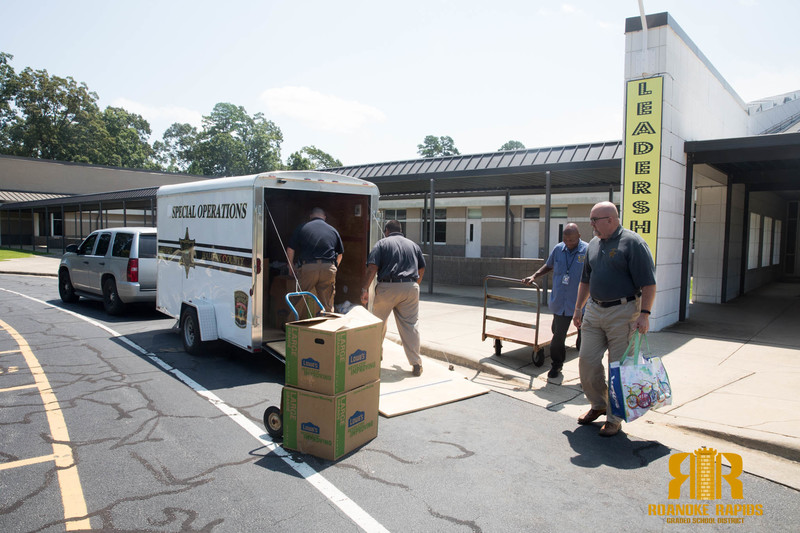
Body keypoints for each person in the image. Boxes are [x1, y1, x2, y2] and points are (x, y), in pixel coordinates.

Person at [572, 201, 656, 437]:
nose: (591, 225)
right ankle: (598, 404)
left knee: (617, 367)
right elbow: (585, 280)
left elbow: (649, 283)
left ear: (611, 219)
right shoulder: (594, 245)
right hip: (594, 310)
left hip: (624, 311)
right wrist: (578, 308)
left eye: (594, 220)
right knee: (587, 361)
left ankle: (614, 418)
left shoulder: (633, 243)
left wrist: (644, 314)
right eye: (591, 220)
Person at [360, 220, 426, 376]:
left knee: (378, 323)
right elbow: (422, 267)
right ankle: (416, 363)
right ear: (401, 230)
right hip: (410, 287)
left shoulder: (382, 244)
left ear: (387, 230)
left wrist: (364, 289)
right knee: (410, 326)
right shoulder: (413, 245)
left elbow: (372, 268)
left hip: (387, 287)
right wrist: (415, 284)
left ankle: (375, 358)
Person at [522, 223, 587, 379]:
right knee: (557, 337)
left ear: (579, 236)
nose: (568, 243)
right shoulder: (558, 249)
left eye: (571, 240)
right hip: (560, 302)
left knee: (586, 339)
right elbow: (548, 265)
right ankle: (557, 365)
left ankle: (584, 365)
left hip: (581, 303)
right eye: (565, 239)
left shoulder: (588, 250)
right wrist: (534, 276)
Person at [286, 207, 344, 313]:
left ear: (311, 216)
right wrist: (333, 267)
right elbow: (340, 254)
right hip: (328, 267)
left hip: (308, 267)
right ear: (324, 217)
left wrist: (291, 266)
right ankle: (326, 326)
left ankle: (292, 325)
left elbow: (290, 249)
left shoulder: (302, 227)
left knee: (300, 297)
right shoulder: (333, 230)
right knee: (327, 302)